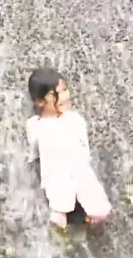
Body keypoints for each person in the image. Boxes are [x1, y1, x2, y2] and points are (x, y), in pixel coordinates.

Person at [26, 67, 111, 230]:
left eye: (65, 90)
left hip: (80, 172)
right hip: (57, 177)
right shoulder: (35, 125)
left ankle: (85, 216)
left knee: (100, 212)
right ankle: (65, 216)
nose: (64, 96)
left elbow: (84, 146)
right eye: (55, 94)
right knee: (59, 213)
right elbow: (34, 152)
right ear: (40, 102)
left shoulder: (75, 119)